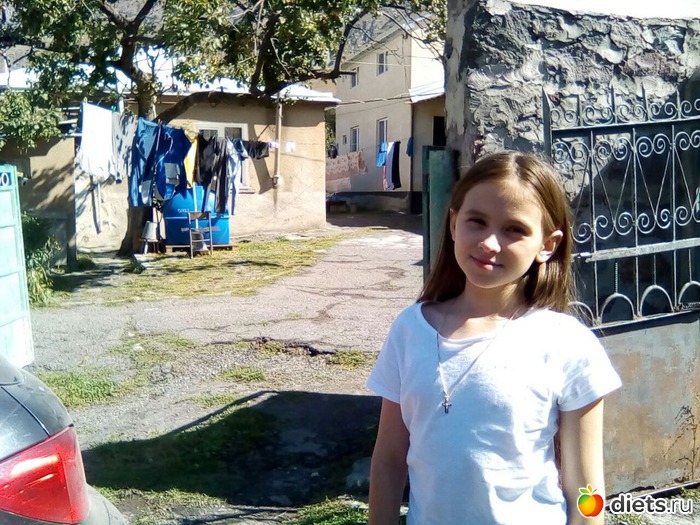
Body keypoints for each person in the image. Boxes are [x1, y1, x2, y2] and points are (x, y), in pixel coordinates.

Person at [367, 151, 622, 525]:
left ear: (547, 245)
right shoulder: (410, 330)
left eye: (514, 229)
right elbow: (389, 459)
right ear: (453, 224)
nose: (489, 242)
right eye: (477, 221)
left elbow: (587, 487)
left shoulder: (568, 343)